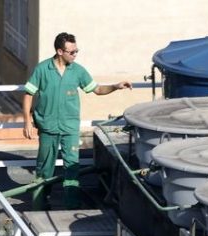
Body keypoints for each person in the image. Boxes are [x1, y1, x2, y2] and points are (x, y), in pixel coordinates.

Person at [22, 32, 131, 209]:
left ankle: (71, 204)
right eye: (71, 52)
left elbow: (96, 89)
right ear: (59, 51)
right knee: (44, 167)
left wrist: (115, 87)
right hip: (47, 126)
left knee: (72, 166)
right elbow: (28, 95)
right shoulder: (42, 69)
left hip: (70, 126)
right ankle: (39, 203)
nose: (75, 55)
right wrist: (27, 121)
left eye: (76, 51)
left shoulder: (78, 71)